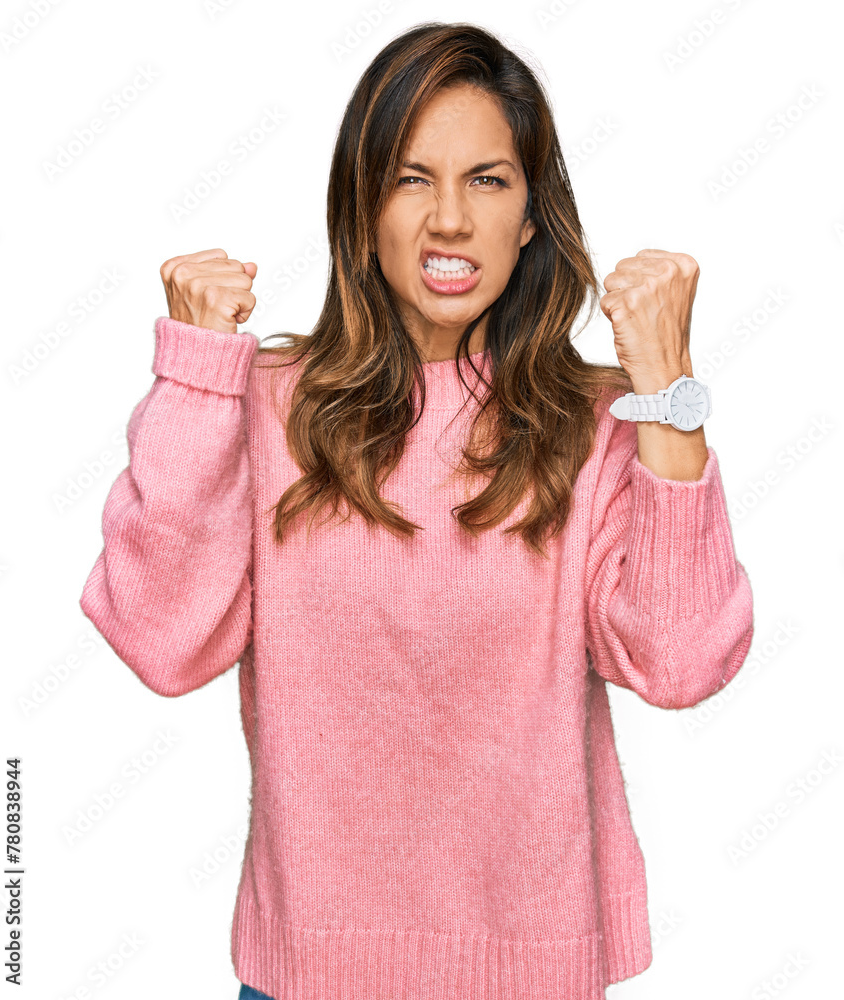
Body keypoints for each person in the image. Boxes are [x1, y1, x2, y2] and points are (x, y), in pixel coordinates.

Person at [79, 21, 754, 1000]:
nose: (449, 218)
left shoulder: (604, 421)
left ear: (530, 216)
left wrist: (668, 383)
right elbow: (161, 640)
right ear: (362, 211)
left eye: (487, 179)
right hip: (303, 979)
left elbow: (683, 662)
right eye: (409, 178)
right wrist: (192, 375)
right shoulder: (265, 402)